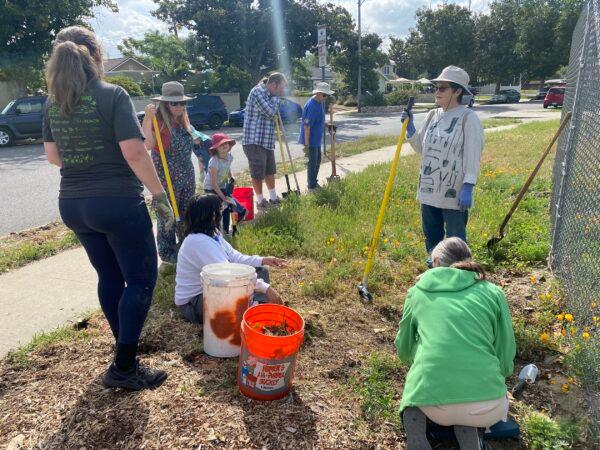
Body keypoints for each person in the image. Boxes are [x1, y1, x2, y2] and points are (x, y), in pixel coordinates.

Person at [43, 26, 174, 390]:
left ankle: (124, 356)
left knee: (111, 277)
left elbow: (53, 157)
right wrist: (160, 197)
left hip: (73, 205)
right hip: (117, 203)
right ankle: (123, 366)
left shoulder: (54, 102)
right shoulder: (112, 95)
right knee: (142, 280)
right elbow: (134, 152)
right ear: (96, 58)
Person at [395, 237, 516, 450]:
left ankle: (417, 435)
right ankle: (470, 434)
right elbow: (505, 351)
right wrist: (502, 373)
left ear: (437, 262)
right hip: (488, 404)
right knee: (468, 406)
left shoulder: (417, 292)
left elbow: (403, 348)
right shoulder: (493, 292)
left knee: (416, 392)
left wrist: (416, 358)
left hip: (432, 402)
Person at [401, 66, 484, 267]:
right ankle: (435, 272)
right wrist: (410, 128)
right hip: (429, 188)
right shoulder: (432, 115)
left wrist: (468, 184)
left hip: (453, 192)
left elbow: (473, 153)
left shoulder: (468, 118)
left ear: (457, 91)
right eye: (435, 88)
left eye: (442, 88)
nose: (436, 92)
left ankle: (459, 275)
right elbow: (421, 148)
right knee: (432, 237)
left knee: (455, 242)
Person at [175, 194, 286, 324]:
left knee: (261, 270)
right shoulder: (197, 242)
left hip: (212, 288)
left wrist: (262, 259)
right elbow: (229, 275)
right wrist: (265, 287)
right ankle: (251, 313)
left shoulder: (212, 234)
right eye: (220, 211)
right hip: (194, 302)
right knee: (233, 291)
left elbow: (234, 257)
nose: (221, 215)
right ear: (212, 216)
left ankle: (256, 309)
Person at [142, 81, 196, 264]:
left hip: (187, 174)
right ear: (165, 103)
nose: (179, 106)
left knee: (186, 211)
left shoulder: (183, 120)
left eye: (182, 103)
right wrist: (147, 119)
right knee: (168, 215)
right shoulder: (157, 121)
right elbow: (147, 145)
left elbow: (195, 140)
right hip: (166, 176)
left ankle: (185, 246)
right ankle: (167, 254)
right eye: (174, 103)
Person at [242, 72, 287, 209]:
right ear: (273, 85)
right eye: (281, 88)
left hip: (266, 141)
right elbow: (269, 112)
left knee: (270, 171)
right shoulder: (257, 92)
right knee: (257, 173)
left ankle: (273, 198)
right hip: (254, 141)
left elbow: (272, 114)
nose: (282, 91)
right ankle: (260, 201)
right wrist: (277, 99)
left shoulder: (270, 95)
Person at [203, 132, 247, 233]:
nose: (224, 146)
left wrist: (231, 177)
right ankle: (240, 211)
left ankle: (226, 229)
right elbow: (213, 184)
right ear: (216, 148)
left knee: (227, 206)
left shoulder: (229, 156)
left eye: (226, 143)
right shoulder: (214, 162)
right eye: (220, 144)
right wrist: (223, 197)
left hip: (222, 185)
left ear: (229, 145)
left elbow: (227, 168)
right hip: (211, 188)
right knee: (221, 205)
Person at [298, 82, 334, 191]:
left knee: (317, 161)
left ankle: (314, 181)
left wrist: (327, 124)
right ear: (318, 93)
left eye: (327, 95)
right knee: (312, 163)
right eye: (324, 95)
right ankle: (311, 186)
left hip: (316, 139)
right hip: (311, 139)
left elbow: (319, 120)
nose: (325, 97)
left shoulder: (320, 102)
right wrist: (307, 145)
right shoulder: (312, 106)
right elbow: (307, 126)